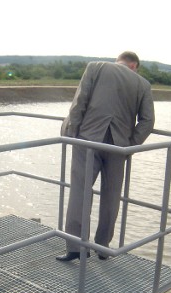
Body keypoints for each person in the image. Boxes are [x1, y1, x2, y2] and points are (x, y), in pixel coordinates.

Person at [57, 51, 155, 262]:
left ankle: (76, 248)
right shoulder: (143, 84)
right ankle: (103, 248)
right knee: (111, 197)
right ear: (134, 66)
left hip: (88, 140)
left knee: (80, 192)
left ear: (119, 61)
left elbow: (79, 102)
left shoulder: (96, 67)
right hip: (119, 146)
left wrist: (70, 135)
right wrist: (130, 145)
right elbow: (147, 122)